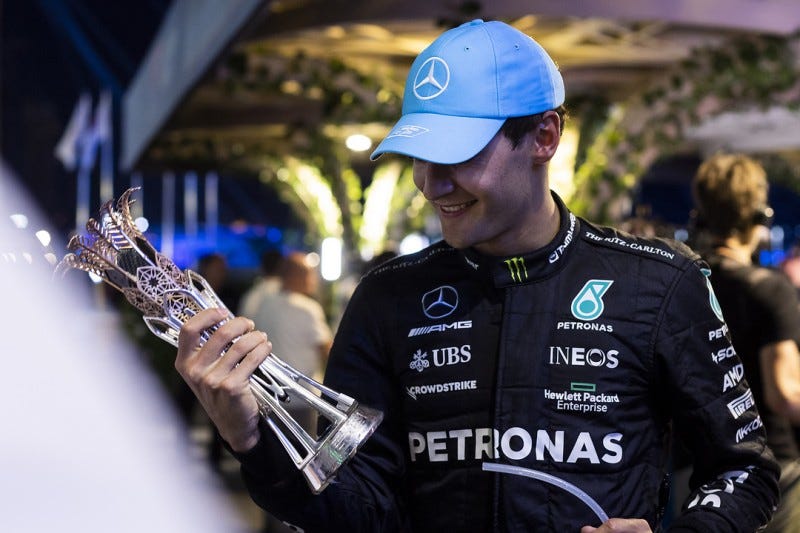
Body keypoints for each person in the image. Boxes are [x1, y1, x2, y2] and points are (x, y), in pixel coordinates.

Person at [175, 20, 779, 532]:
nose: (431, 183)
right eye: (419, 153)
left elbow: (747, 471)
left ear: (545, 135)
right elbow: (358, 513)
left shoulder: (660, 284)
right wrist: (252, 439)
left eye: (459, 154)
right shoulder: (387, 299)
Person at [690, 153, 800, 533]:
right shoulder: (770, 290)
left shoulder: (684, 284)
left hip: (695, 469)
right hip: (771, 474)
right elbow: (784, 395)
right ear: (760, 216)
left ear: (700, 215)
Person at [239, 249, 284, 319]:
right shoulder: (290, 294)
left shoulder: (252, 294)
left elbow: (244, 317)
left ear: (262, 267)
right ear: (283, 266)